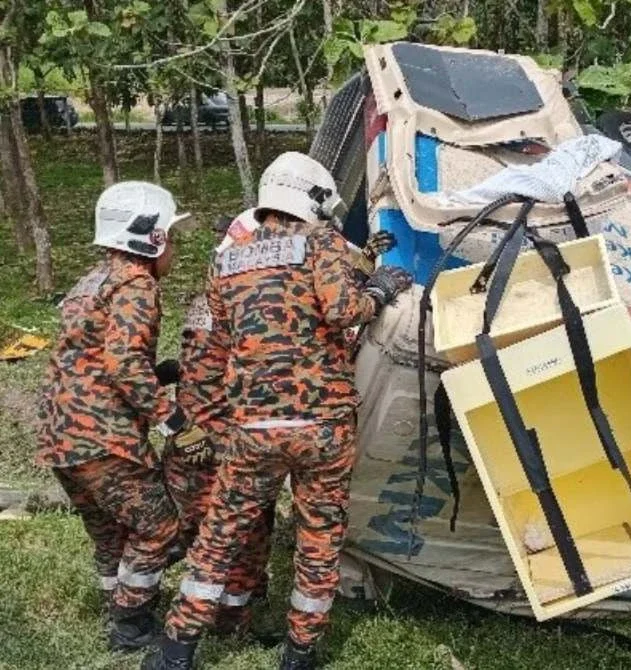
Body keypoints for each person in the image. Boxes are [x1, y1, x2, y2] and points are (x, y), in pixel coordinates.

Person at [142, 152, 413, 670]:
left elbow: (214, 347)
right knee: (317, 537)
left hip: (253, 429)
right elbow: (343, 310)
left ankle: (175, 650)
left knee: (220, 535)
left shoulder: (226, 260)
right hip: (322, 428)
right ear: (314, 199)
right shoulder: (322, 242)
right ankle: (299, 653)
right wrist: (379, 288)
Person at [37, 181, 189, 651]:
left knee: (110, 534)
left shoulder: (93, 280)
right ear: (152, 238)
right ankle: (131, 623)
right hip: (103, 439)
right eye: (172, 237)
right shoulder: (137, 284)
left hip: (62, 438)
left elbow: (90, 357)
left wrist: (157, 373)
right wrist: (172, 417)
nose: (175, 249)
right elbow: (122, 363)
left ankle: (117, 606)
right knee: (159, 527)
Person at [161, 211, 275, 637]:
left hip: (192, 441)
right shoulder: (239, 300)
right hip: (217, 447)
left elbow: (200, 368)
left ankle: (236, 600)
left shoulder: (208, 296)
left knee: (207, 533)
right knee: (241, 540)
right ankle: (229, 622)